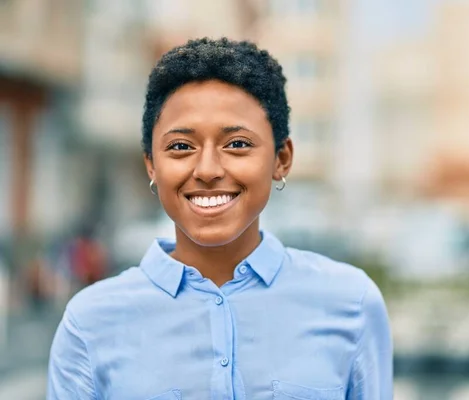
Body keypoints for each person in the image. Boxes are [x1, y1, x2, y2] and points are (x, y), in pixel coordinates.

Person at [47, 38, 392, 399]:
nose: (208, 170)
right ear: (151, 163)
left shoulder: (351, 304)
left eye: (237, 144)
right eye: (181, 146)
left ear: (281, 158)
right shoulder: (89, 323)